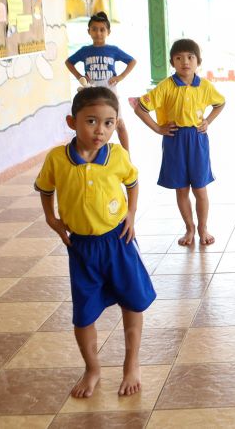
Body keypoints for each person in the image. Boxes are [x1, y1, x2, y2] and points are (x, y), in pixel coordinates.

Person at [35, 87, 155, 399]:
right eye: (91, 121)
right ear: (71, 122)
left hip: (118, 241)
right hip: (81, 248)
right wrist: (51, 218)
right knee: (84, 313)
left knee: (132, 301)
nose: (100, 130)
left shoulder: (117, 155)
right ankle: (92, 368)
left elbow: (132, 181)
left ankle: (132, 363)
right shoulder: (56, 160)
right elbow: (45, 189)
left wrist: (131, 213)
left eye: (108, 123)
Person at [132, 39, 225, 246]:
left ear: (198, 61)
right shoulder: (166, 85)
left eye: (190, 57)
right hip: (174, 140)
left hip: (198, 140)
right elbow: (140, 107)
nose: (185, 62)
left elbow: (220, 103)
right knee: (181, 189)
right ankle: (189, 228)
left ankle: (203, 228)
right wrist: (158, 128)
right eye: (179, 58)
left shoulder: (205, 86)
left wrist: (208, 121)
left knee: (200, 188)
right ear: (172, 62)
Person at [64, 11, 137, 150]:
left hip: (110, 91)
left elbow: (132, 61)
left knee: (119, 123)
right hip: (90, 92)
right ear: (89, 31)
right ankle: (88, 152)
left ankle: (127, 156)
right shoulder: (85, 51)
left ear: (108, 31)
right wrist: (80, 77)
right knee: (88, 122)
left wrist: (120, 77)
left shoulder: (113, 50)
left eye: (102, 29)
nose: (98, 33)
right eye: (94, 29)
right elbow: (69, 62)